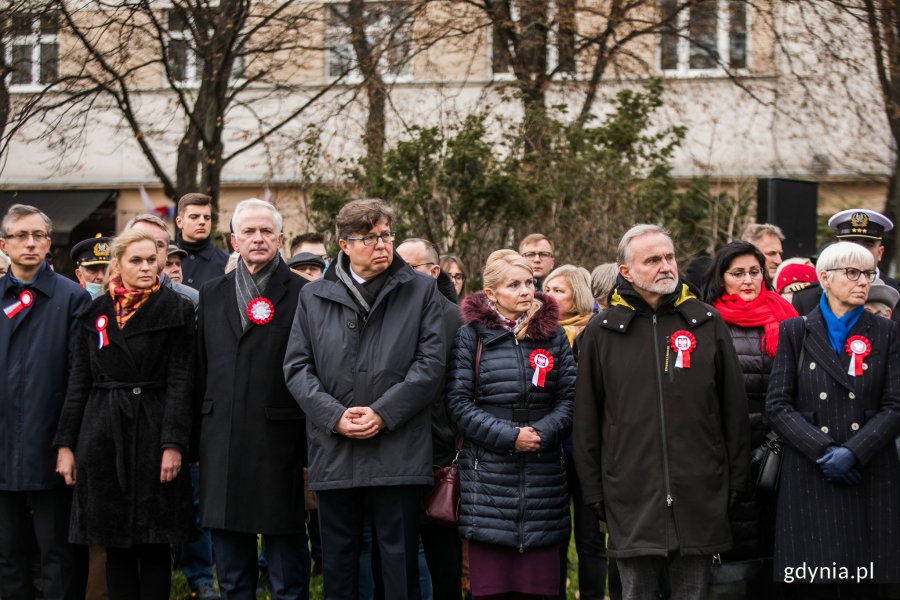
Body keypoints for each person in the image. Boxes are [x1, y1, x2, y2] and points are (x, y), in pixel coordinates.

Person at [574, 224, 751, 600]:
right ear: (626, 271)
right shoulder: (602, 333)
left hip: (698, 494)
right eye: (652, 260)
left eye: (669, 257)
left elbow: (733, 410)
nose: (665, 266)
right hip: (631, 497)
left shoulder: (705, 322)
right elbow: (588, 420)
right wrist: (594, 493)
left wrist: (734, 482)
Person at [283, 198, 444, 599]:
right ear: (344, 244)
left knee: (399, 559)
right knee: (339, 563)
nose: (381, 244)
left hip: (398, 448)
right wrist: (335, 416)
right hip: (336, 447)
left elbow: (430, 365)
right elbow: (297, 369)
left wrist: (383, 413)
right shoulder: (314, 296)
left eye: (386, 234)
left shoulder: (421, 290)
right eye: (369, 237)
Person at [53, 228, 195, 599]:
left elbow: (182, 383)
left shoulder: (177, 310)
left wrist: (173, 443)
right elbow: (79, 382)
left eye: (152, 259)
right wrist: (66, 444)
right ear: (118, 264)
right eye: (136, 260)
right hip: (102, 434)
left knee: (154, 544)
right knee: (113, 542)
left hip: (154, 430)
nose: (146, 267)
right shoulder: (94, 312)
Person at [766, 241, 900, 597]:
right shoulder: (796, 331)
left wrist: (854, 452)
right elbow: (778, 404)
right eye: (852, 273)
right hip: (812, 471)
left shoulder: (887, 332)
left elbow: (895, 404)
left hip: (868, 472)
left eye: (868, 273)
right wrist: (825, 450)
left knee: (866, 583)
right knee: (815, 584)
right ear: (824, 278)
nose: (863, 282)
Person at [196, 198, 310, 600]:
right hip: (221, 436)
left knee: (285, 558)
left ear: (280, 239)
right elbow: (201, 368)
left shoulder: (304, 294)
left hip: (279, 438)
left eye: (266, 231)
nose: (258, 238)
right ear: (233, 240)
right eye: (249, 231)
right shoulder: (211, 293)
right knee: (229, 559)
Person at [446, 249, 574, 599]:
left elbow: (570, 398)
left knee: (540, 585)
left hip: (543, 471)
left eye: (529, 282)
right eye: (513, 284)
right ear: (491, 294)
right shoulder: (471, 337)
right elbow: (458, 403)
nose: (525, 291)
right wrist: (509, 436)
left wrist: (542, 433)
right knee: (492, 587)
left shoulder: (554, 336)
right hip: (488, 472)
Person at [0, 204, 91, 600]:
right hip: (2, 447)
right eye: (21, 235)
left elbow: (79, 379)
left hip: (52, 447)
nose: (31, 243)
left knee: (58, 555)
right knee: (8, 555)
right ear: (4, 244)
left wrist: (67, 442)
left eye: (38, 235)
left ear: (49, 243)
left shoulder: (72, 299)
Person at [700, 240, 798, 596]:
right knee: (735, 548)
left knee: (774, 544)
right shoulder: (706, 320)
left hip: (779, 446)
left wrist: (776, 439)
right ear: (721, 277)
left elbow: (797, 387)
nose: (747, 280)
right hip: (724, 451)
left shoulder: (786, 318)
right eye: (737, 273)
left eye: (754, 272)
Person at [396, 238, 462, 600]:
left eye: (410, 267)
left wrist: (445, 437)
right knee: (400, 552)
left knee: (442, 551)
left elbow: (454, 387)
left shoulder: (453, 318)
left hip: (438, 451)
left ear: (433, 272)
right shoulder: (389, 310)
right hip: (395, 450)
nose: (399, 275)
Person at [542, 264, 606, 600]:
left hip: (585, 448)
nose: (547, 295)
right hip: (550, 446)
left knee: (590, 536)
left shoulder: (596, 332)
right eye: (546, 289)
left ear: (577, 295)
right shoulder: (535, 333)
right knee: (553, 535)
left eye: (558, 290)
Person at [792, 209, 900, 325]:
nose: (859, 251)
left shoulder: (897, 292)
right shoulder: (805, 297)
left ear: (880, 253)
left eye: (868, 245)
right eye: (850, 244)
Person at [175, 193, 229, 290]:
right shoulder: (167, 259)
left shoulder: (226, 262)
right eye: (194, 217)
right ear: (179, 222)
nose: (202, 222)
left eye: (207, 217)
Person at [70, 234, 111, 299]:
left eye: (106, 269)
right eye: (93, 270)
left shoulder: (125, 304)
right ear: (79, 275)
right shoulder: (70, 303)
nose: (101, 277)